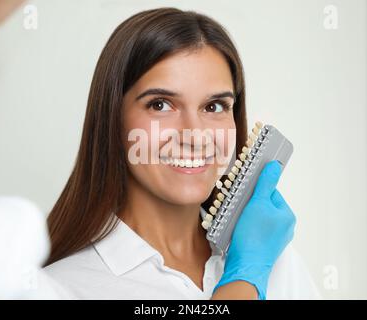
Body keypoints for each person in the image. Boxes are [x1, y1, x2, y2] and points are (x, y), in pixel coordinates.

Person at [44, 8, 320, 300]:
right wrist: (246, 277)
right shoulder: (60, 288)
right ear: (113, 118)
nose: (195, 135)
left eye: (214, 107)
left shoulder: (279, 264)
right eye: (161, 105)